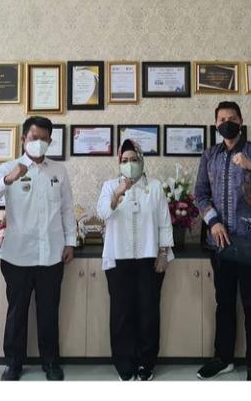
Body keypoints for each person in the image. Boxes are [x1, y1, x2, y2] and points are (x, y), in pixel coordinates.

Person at [0, 116, 76, 381]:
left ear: (50, 141)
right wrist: (8, 179)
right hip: (17, 255)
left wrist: (70, 241)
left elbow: (67, 209)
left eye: (44, 139)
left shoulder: (58, 171)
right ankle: (13, 363)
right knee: (17, 312)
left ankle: (51, 362)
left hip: (52, 255)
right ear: (24, 139)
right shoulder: (8, 167)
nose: (39, 142)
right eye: (34, 138)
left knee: (49, 312)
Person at [194, 101, 251, 381]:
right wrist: (213, 222)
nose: (226, 122)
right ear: (215, 124)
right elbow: (200, 194)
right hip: (219, 242)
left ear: (240, 121)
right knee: (224, 302)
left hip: (248, 241)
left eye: (231, 118)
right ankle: (223, 358)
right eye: (221, 119)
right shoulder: (210, 155)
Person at [96, 139, 174, 381]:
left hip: (149, 259)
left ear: (141, 161)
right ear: (119, 163)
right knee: (122, 314)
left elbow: (164, 222)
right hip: (118, 259)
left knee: (148, 313)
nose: (129, 164)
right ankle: (124, 363)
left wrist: (163, 253)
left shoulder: (155, 187)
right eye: (124, 160)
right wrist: (118, 193)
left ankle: (146, 363)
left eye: (133, 159)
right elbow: (102, 213)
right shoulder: (110, 186)